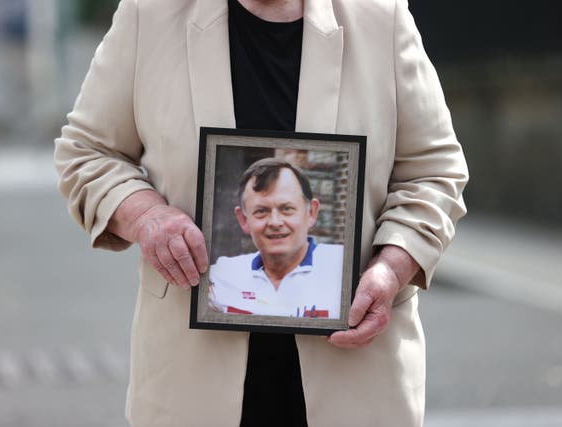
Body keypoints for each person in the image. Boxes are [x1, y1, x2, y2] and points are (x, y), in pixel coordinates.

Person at [54, 0, 469, 426]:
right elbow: (87, 152)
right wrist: (145, 217)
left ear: (311, 211)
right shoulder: (151, 13)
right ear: (242, 217)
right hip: (190, 379)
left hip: (355, 374)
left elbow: (434, 171)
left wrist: (391, 268)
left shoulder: (381, 17)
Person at [208, 157, 344, 319]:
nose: (275, 222)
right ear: (244, 220)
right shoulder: (223, 275)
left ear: (311, 213)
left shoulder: (344, 267)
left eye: (287, 209)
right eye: (261, 211)